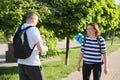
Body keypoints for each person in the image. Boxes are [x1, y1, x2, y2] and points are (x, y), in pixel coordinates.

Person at [17, 12, 48, 80]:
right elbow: (41, 49)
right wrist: (46, 48)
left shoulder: (19, 29)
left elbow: (25, 39)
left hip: (21, 64)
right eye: (37, 21)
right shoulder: (34, 29)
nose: (36, 23)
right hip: (33, 64)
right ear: (33, 19)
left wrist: (38, 37)